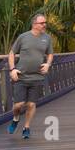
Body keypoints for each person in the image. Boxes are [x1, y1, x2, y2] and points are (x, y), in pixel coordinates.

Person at [7, 12, 54, 140]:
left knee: (31, 105)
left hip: (37, 76)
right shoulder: (23, 37)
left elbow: (50, 54)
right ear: (34, 24)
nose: (45, 25)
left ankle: (26, 127)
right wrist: (12, 69)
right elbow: (12, 53)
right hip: (21, 76)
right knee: (18, 104)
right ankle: (16, 119)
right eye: (42, 23)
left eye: (45, 23)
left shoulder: (47, 38)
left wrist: (48, 64)